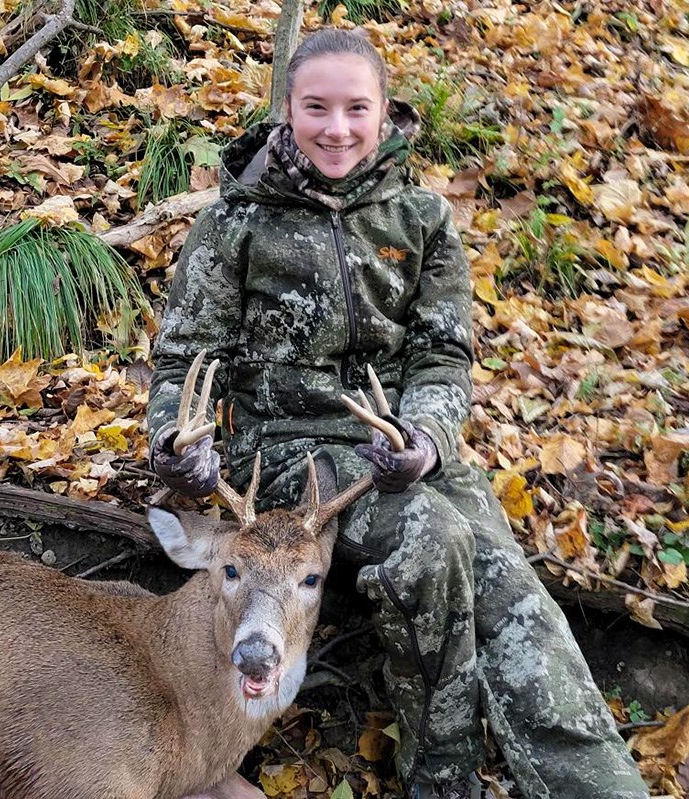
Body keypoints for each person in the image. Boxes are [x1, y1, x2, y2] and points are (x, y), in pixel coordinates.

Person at [148, 28, 650, 799]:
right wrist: (176, 444)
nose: (337, 128)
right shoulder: (234, 226)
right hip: (290, 453)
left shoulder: (421, 220)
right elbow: (184, 359)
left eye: (357, 108)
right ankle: (440, 777)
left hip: (400, 447)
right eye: (317, 107)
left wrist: (427, 440)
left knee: (520, 601)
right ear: (288, 108)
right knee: (428, 538)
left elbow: (443, 357)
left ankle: (603, 786)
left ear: (386, 113)